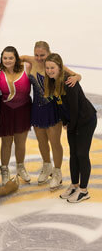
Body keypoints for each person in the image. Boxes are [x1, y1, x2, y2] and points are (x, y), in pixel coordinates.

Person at [21, 41, 81, 190]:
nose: (39, 58)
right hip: (36, 109)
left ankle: (57, 172)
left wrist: (76, 78)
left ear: (48, 54)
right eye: (37, 55)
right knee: (41, 142)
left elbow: (76, 75)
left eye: (43, 55)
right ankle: (47, 165)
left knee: (54, 142)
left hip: (53, 110)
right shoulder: (32, 61)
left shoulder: (53, 65)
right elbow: (18, 57)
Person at [44, 54, 97, 203]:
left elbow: (75, 108)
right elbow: (61, 106)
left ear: (60, 68)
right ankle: (75, 185)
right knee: (73, 154)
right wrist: (65, 122)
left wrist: (71, 126)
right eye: (47, 68)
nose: (49, 70)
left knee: (81, 154)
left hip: (86, 120)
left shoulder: (69, 82)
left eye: (52, 67)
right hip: (73, 122)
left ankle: (84, 190)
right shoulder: (52, 82)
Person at [0, 46, 32, 184]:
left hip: (23, 109)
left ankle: (20, 167)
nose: (8, 60)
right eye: (5, 58)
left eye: (11, 58)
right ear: (1, 59)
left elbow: (35, 58)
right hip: (5, 110)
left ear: (16, 58)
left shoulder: (26, 67)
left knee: (20, 142)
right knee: (6, 143)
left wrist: (21, 58)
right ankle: (4, 170)